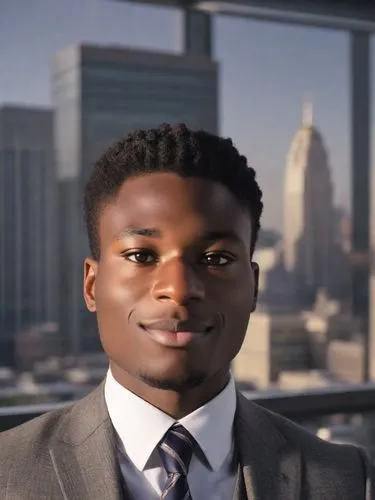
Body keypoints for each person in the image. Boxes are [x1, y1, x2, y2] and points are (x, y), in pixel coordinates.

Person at [0, 124, 373, 500]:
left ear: (253, 287)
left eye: (215, 258)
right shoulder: (6, 473)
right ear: (92, 285)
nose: (178, 289)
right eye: (141, 256)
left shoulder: (348, 481)